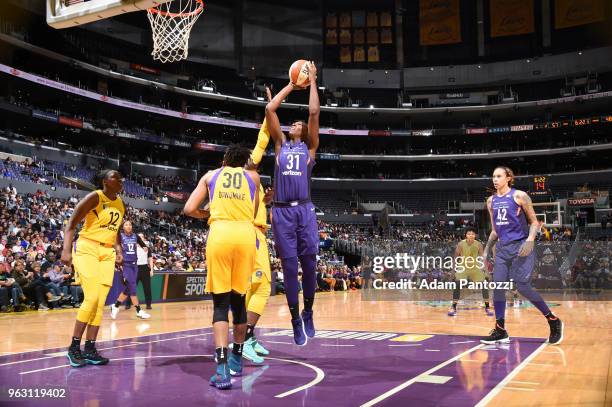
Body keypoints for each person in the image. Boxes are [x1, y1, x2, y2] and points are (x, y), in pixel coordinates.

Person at [183, 144, 260, 390]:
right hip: (246, 236)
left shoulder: (210, 176)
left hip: (221, 234)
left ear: (225, 159)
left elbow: (189, 209)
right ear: (244, 161)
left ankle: (222, 369)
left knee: (220, 304)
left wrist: (207, 214)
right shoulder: (253, 178)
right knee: (240, 300)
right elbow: (254, 210)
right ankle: (237, 359)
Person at [265, 61, 320, 345]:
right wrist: (291, 85)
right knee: (288, 267)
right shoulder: (280, 146)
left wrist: (311, 83)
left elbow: (313, 112)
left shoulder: (310, 149)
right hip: (282, 211)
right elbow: (270, 110)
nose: (294, 124)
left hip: (305, 209)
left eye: (298, 124)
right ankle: (295, 319)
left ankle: (309, 311)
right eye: (293, 123)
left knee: (309, 264)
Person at [481, 166, 563, 345]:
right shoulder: (490, 201)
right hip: (502, 249)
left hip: (521, 246)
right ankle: (500, 330)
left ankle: (553, 320)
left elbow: (534, 222)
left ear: (508, 178)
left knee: (523, 286)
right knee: (497, 287)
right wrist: (486, 251)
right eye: (493, 176)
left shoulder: (520, 196)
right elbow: (495, 231)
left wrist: (530, 240)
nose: (495, 179)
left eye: (499, 176)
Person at [61, 169, 125, 367]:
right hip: (88, 247)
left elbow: (115, 230)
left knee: (100, 303)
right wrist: (66, 250)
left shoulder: (120, 202)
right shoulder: (94, 197)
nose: (120, 179)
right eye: (115, 176)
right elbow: (72, 224)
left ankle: (90, 349)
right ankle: (73, 348)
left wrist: (118, 249)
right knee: (92, 298)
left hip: (107, 254)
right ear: (105, 181)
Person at [240, 86, 275, 363]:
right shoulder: (246, 172)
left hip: (255, 234)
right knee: (261, 288)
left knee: (253, 289)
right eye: (251, 157)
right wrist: (269, 107)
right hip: (251, 234)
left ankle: (248, 337)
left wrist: (267, 201)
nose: (256, 158)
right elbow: (263, 137)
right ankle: (244, 339)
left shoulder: (248, 181)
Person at [448, 227, 493, 317]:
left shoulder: (478, 244)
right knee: (457, 284)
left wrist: (486, 271)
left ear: (475, 235)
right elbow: (455, 257)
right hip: (463, 266)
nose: (471, 235)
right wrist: (453, 271)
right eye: (469, 233)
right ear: (466, 235)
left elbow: (482, 259)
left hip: (475, 267)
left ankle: (487, 307)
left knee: (484, 284)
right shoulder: (461, 244)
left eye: (472, 234)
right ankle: (453, 306)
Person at [110, 221, 150, 320]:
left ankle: (115, 306)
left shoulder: (135, 236)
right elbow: (115, 248)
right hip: (125, 265)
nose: (128, 226)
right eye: (126, 224)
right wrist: (119, 264)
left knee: (128, 289)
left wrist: (144, 247)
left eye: (130, 224)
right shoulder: (120, 236)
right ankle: (138, 310)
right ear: (123, 227)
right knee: (132, 287)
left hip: (134, 265)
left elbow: (142, 243)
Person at [136, 232, 153, 310]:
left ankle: (148, 304)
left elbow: (150, 259)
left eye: (141, 237)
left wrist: (151, 270)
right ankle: (128, 304)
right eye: (138, 237)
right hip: (135, 268)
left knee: (147, 288)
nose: (140, 238)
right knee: (131, 287)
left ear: (143, 238)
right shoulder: (133, 247)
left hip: (145, 268)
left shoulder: (147, 248)